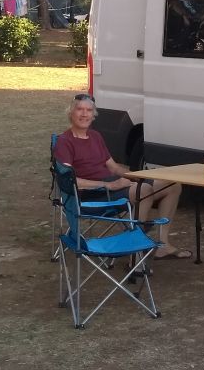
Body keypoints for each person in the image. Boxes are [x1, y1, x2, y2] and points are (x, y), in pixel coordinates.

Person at [53, 93, 192, 259]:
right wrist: (109, 185)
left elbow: (113, 167)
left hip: (111, 186)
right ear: (71, 112)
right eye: (79, 109)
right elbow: (70, 181)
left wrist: (138, 176)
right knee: (144, 190)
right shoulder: (64, 142)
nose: (84, 114)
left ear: (93, 114)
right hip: (90, 195)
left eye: (88, 110)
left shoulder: (95, 136)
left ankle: (162, 245)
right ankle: (137, 254)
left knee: (172, 186)